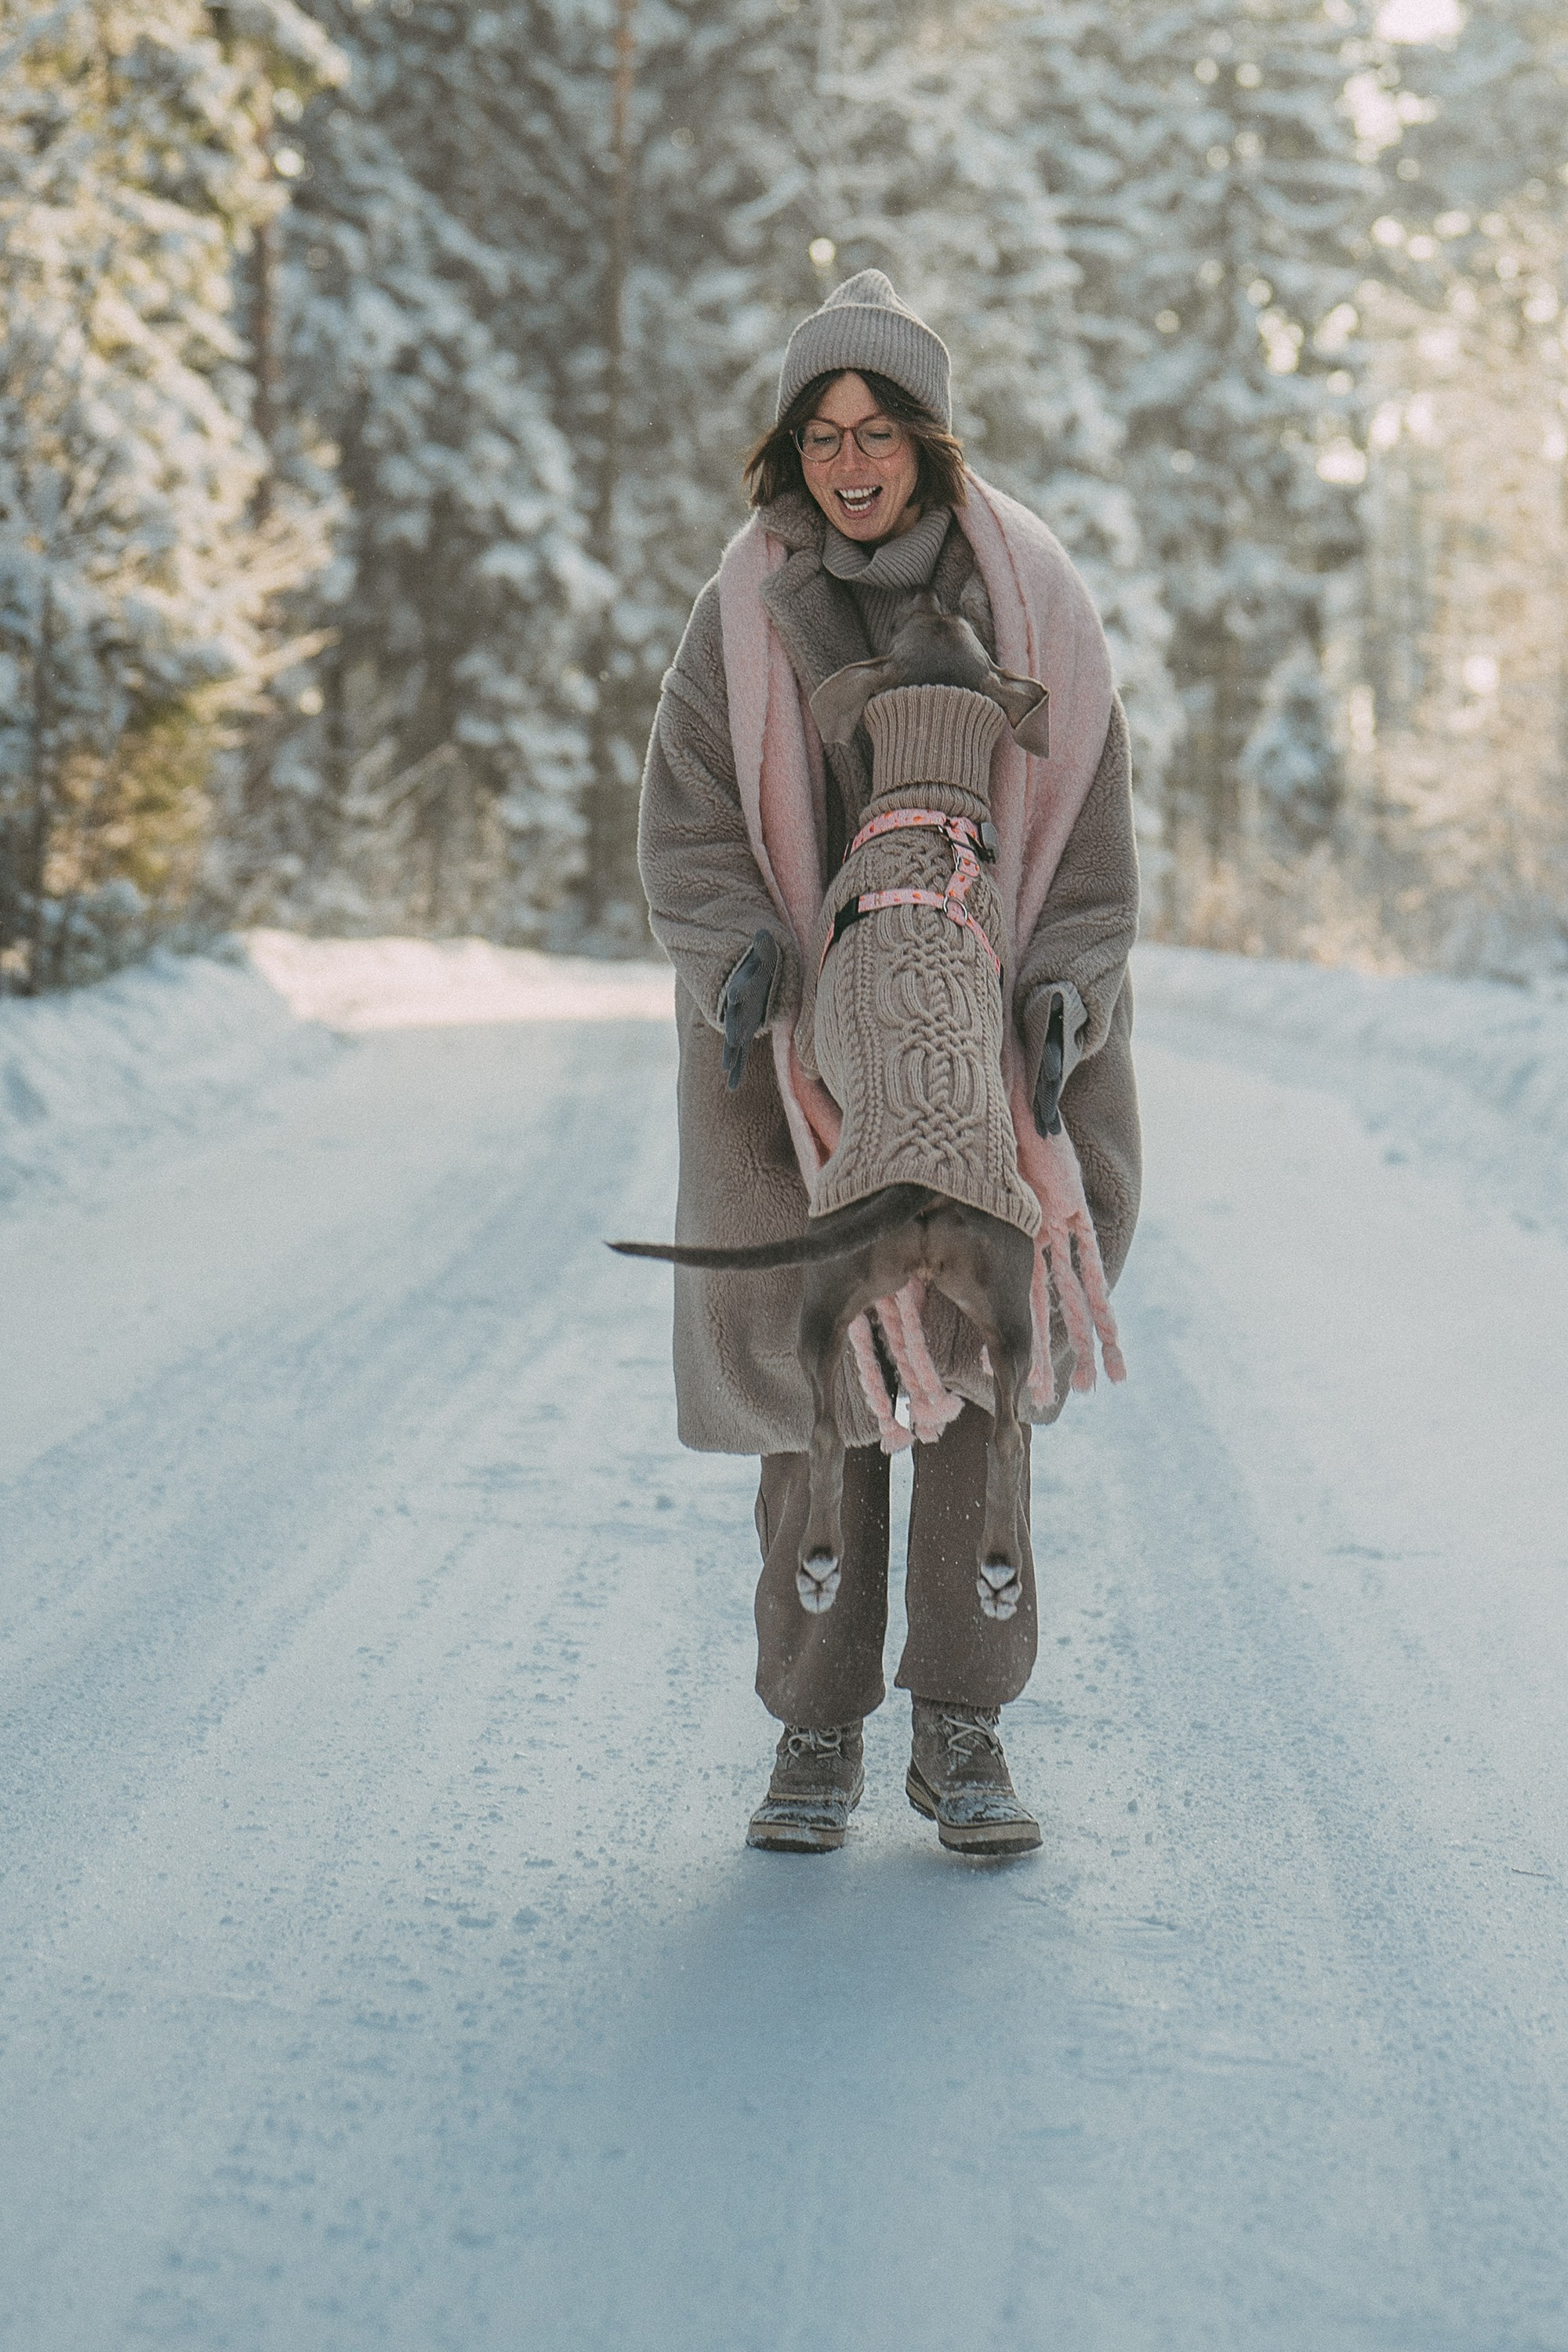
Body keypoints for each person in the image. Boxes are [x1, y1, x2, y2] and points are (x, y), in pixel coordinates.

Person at [637, 271, 1140, 1857]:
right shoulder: (742, 614)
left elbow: (1094, 851)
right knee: (822, 1377)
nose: (850, 458)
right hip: (785, 1033)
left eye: (877, 430)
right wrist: (740, 959)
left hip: (988, 1044)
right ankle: (813, 1731)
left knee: (979, 1361)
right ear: (791, 452)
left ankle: (963, 1726)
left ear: (924, 441)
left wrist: (1066, 997)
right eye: (820, 432)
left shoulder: (1033, 599)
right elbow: (693, 823)